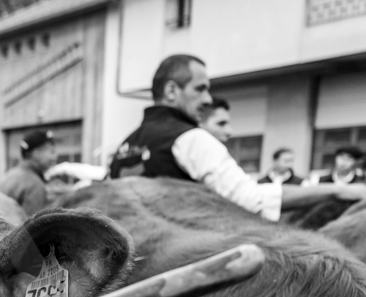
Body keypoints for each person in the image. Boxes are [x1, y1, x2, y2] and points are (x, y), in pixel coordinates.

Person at [110, 54, 366, 219]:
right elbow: (251, 201)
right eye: (200, 89)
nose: (207, 99)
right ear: (171, 91)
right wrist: (338, 191)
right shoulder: (191, 139)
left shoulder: (126, 144)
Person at [0, 129, 56, 216]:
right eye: (52, 152)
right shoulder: (34, 184)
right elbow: (32, 227)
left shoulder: (10, 174)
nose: (54, 157)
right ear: (37, 154)